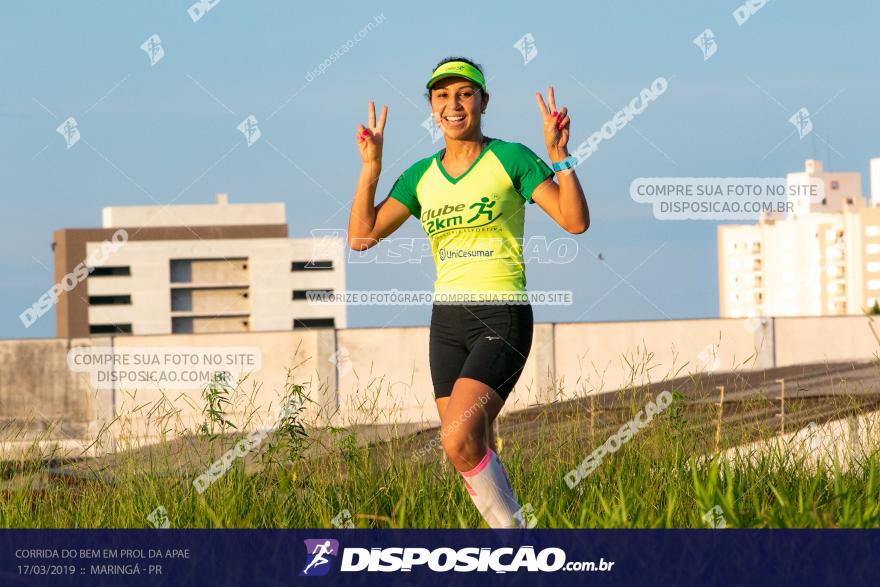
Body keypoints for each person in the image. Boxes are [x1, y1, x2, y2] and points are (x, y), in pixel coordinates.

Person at [347, 56, 589, 528]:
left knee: (457, 440)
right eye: (442, 96)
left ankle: (518, 545)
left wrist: (560, 158)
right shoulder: (420, 176)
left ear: (482, 101)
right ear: (432, 107)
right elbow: (361, 237)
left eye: (464, 93)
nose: (453, 104)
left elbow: (575, 221)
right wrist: (371, 168)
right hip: (447, 324)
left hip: (502, 315)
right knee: (474, 445)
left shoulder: (511, 158)